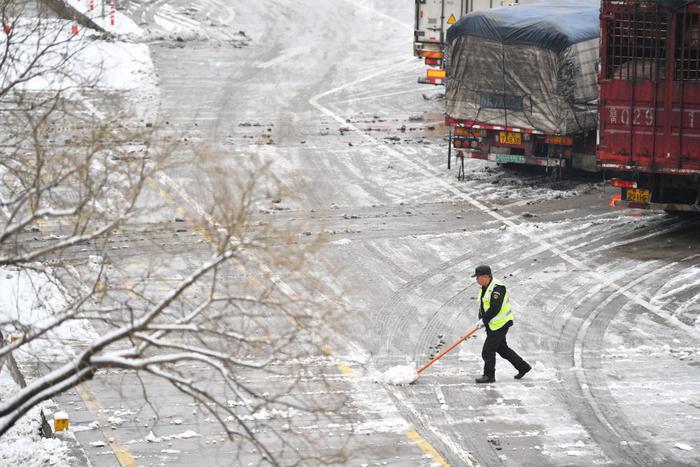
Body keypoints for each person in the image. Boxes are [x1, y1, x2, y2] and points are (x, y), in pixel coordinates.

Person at [472, 265, 531, 383]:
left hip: (501, 323)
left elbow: (495, 308)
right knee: (502, 349)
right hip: (493, 324)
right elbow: (484, 305)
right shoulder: (485, 287)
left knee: (488, 351)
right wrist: (482, 320)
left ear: (485, 276)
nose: (476, 280)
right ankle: (523, 367)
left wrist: (484, 320)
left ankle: (489, 376)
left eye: (478, 277)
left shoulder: (497, 288)